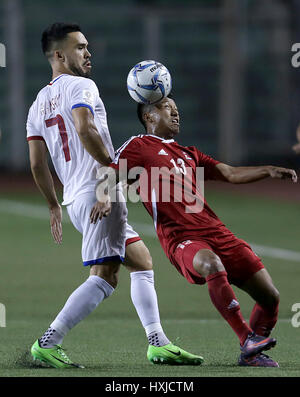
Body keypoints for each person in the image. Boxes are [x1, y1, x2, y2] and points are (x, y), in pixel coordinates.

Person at [26, 23, 203, 368]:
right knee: (105, 278)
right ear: (59, 55)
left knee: (141, 261)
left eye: (87, 46)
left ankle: (158, 343)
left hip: (76, 199)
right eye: (80, 47)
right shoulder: (81, 85)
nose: (88, 53)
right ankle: (48, 342)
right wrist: (112, 171)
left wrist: (52, 204)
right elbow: (84, 126)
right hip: (98, 191)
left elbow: (36, 163)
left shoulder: (36, 105)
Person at [95, 95, 298, 367]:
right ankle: (246, 338)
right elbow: (109, 173)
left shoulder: (189, 153)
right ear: (149, 117)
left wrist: (268, 170)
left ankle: (252, 354)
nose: (176, 113)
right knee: (210, 264)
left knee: (270, 297)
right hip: (181, 237)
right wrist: (104, 197)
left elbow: (229, 173)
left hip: (216, 231)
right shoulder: (139, 146)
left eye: (177, 109)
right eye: (167, 108)